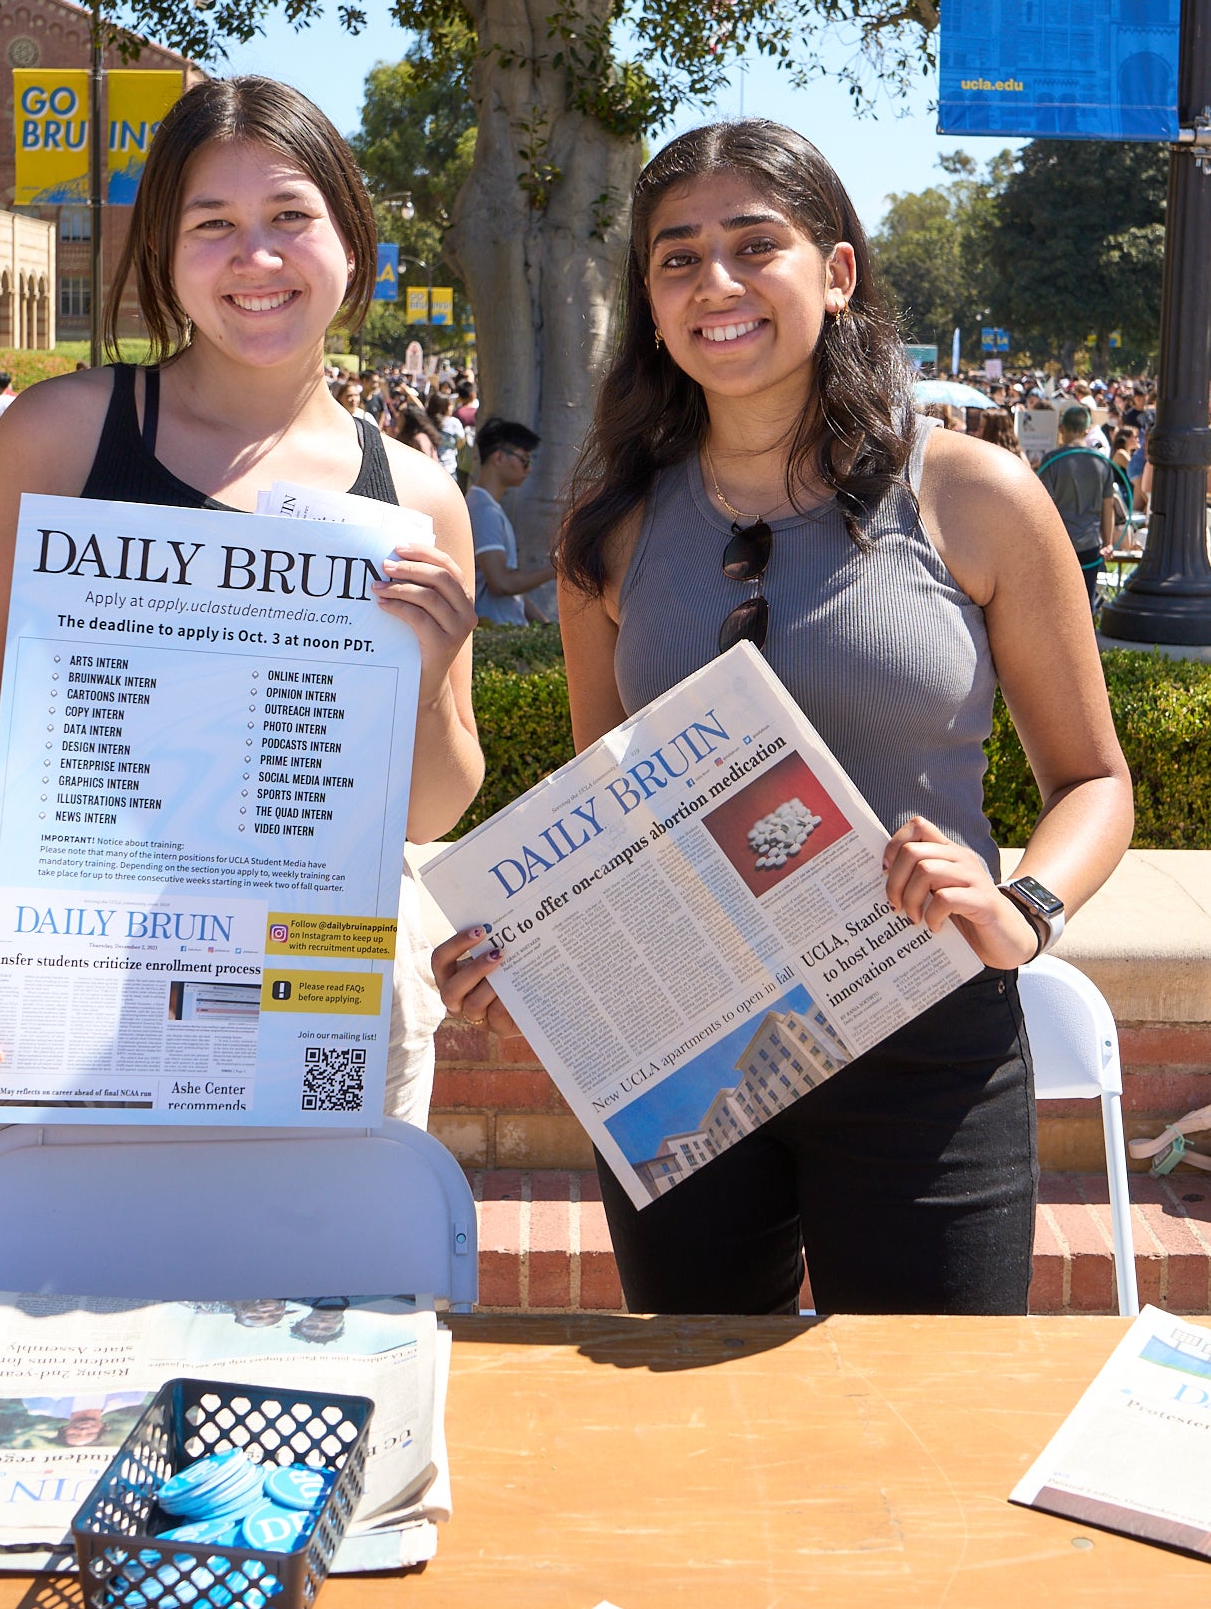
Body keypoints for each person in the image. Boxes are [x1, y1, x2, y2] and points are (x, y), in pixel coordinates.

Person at [435, 119, 1131, 1317]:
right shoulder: (608, 530)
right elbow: (612, 807)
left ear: (837, 271)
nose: (717, 283)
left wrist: (1025, 907)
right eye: (677, 257)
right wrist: (530, 946)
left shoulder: (972, 490)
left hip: (927, 1034)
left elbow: (1095, 778)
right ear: (650, 302)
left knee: (933, 1428)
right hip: (684, 1045)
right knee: (700, 1423)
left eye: (757, 244)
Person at [0, 76, 483, 1161]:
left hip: (326, 1000)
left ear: (351, 244)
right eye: (211, 225)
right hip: (75, 1011)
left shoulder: (419, 498)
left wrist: (421, 673)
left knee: (315, 1315)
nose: (254, 257)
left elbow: (431, 806)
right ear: (165, 257)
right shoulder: (57, 437)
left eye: (289, 218)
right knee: (57, 1313)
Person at [466, 417, 556, 625]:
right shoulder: (483, 511)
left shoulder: (486, 506)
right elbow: (501, 583)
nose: (529, 468)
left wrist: (543, 624)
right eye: (525, 459)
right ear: (499, 458)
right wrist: (556, 570)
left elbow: (511, 589)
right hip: (496, 632)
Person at [1037, 405, 1120, 609]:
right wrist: (1107, 542)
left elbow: (1041, 505)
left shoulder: (1052, 461)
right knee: (1085, 602)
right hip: (1090, 543)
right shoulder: (1101, 462)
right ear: (1086, 431)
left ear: (1062, 429)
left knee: (1057, 603)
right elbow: (1107, 506)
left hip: (1059, 542)